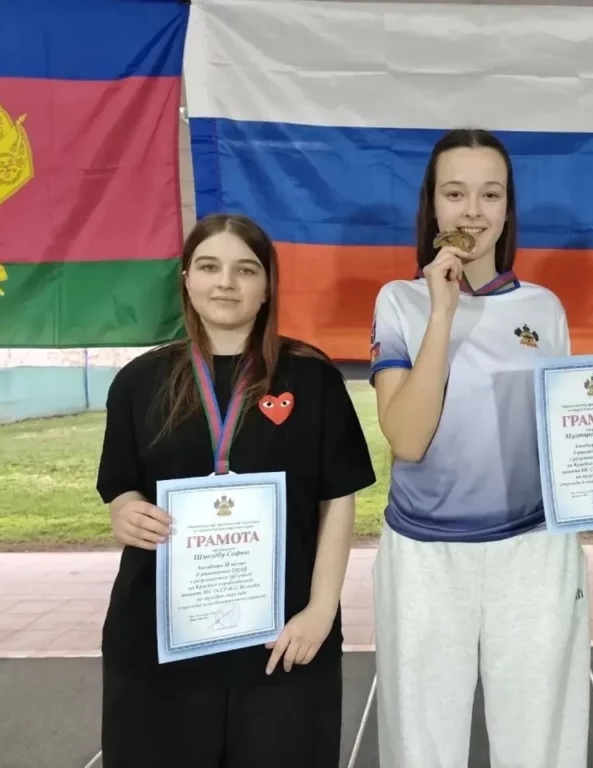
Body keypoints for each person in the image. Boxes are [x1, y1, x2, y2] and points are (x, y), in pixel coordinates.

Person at [368, 128, 593, 768]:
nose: (472, 211)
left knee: (540, 744)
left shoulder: (543, 309)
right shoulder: (400, 302)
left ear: (507, 208)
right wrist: (443, 312)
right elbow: (407, 439)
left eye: (490, 194)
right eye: (455, 193)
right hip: (424, 555)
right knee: (420, 746)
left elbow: (567, 434)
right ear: (432, 204)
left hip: (532, 550)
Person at [95, 213, 376, 768]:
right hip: (160, 639)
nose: (225, 283)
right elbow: (121, 488)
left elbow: (338, 500)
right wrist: (125, 511)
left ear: (267, 286)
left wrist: (321, 611)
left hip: (283, 640)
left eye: (245, 270)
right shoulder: (139, 381)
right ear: (186, 279)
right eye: (209, 267)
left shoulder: (312, 377)